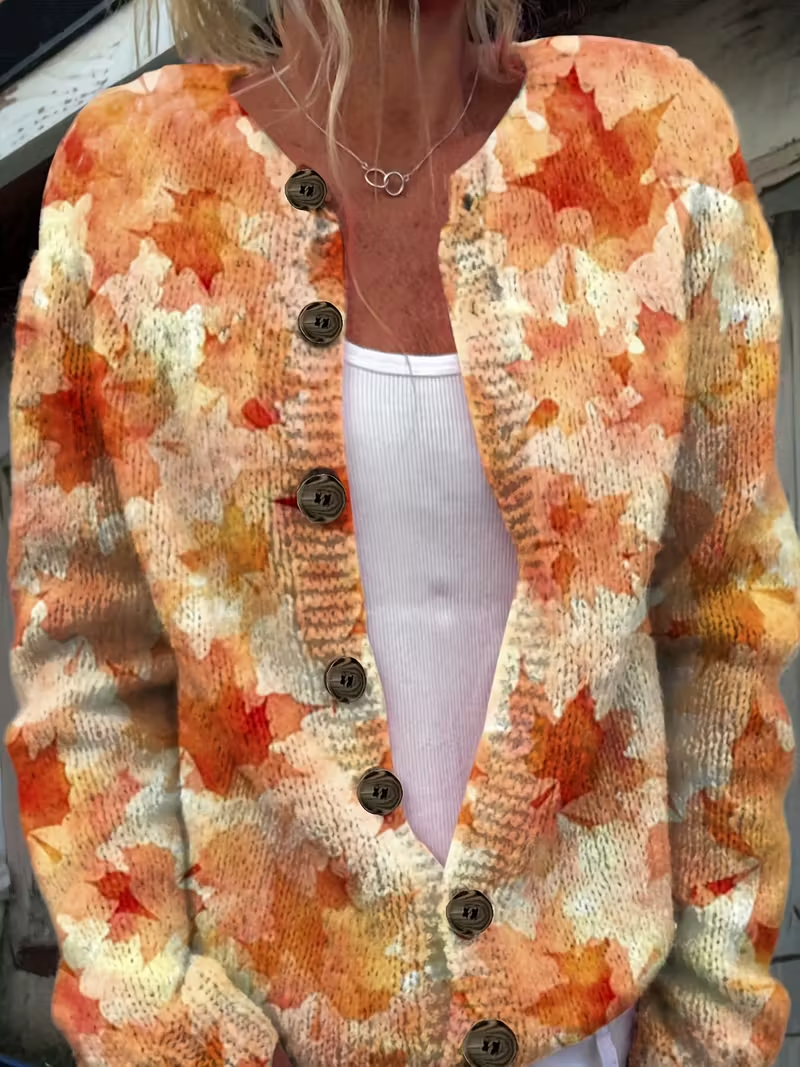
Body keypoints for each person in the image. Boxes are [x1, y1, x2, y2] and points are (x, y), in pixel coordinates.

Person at [5, 0, 800, 1062]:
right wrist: (157, 1027)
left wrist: (711, 1029)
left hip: (587, 1037)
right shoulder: (126, 181)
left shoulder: (647, 140)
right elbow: (86, 660)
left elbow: (725, 616)